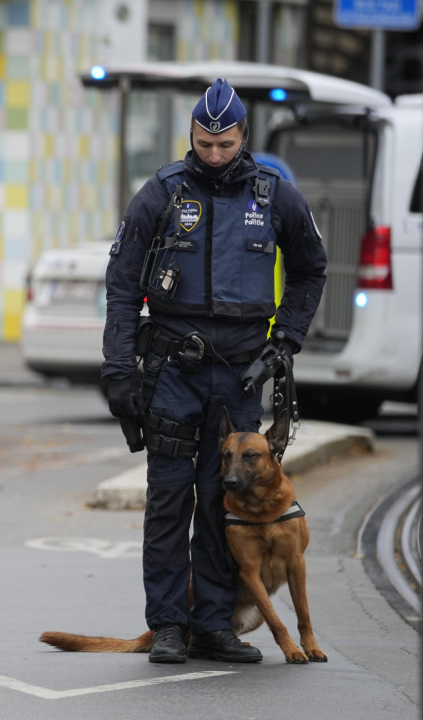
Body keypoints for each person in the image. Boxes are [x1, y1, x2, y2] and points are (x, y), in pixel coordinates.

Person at [101, 78, 327, 664]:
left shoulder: (275, 195)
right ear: (192, 137)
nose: (215, 156)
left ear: (242, 138)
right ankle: (170, 625)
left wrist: (287, 343)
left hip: (242, 376)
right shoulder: (162, 193)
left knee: (225, 502)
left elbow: (310, 271)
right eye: (205, 144)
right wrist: (118, 369)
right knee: (170, 499)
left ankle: (214, 624)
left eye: (225, 145)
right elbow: (123, 284)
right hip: (173, 371)